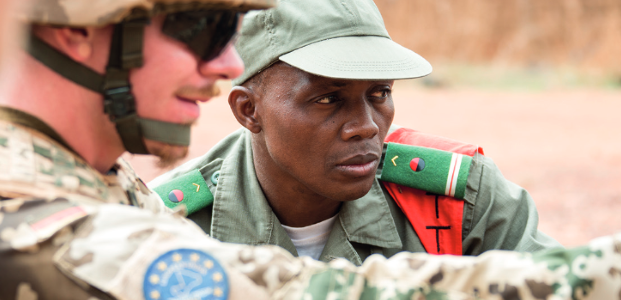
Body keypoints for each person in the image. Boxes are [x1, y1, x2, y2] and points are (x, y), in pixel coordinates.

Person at [149, 0, 560, 264]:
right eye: (326, 99)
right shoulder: (166, 225)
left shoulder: (459, 200)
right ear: (248, 110)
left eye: (379, 93)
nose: (365, 126)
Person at [0, 0, 277, 298]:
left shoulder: (94, 171)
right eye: (203, 28)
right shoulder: (28, 212)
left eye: (231, 35)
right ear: (77, 30)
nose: (232, 66)